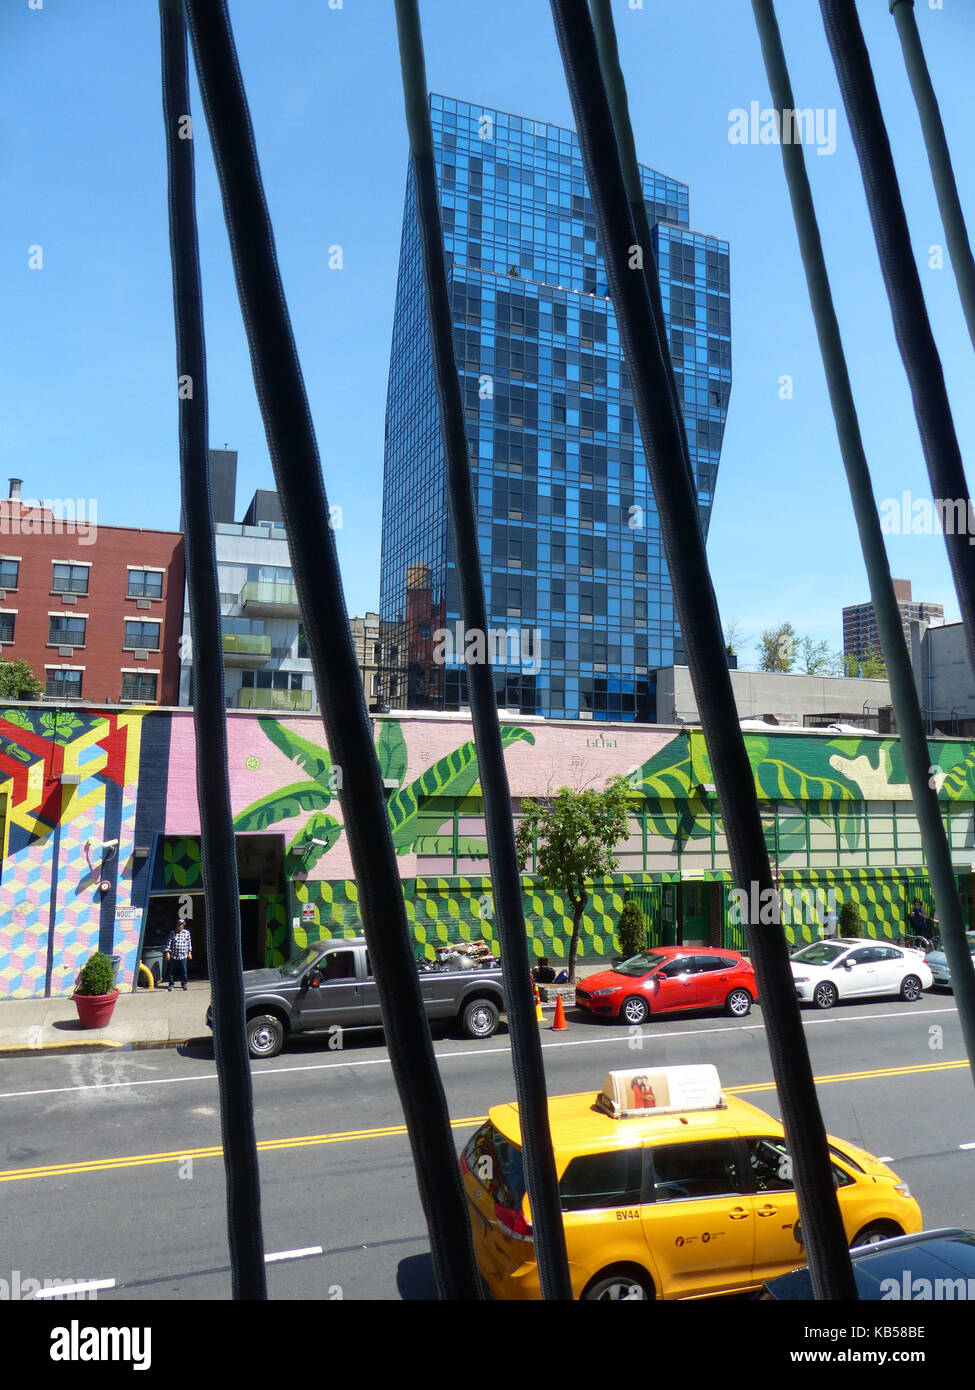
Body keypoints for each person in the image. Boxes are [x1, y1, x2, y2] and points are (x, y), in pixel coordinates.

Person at [164, 921, 192, 991]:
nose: (179, 926)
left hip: (183, 955)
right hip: (174, 956)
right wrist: (167, 953)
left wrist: (189, 953)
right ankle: (171, 984)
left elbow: (189, 943)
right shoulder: (173, 933)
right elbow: (168, 943)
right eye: (178, 925)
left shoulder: (187, 933)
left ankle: (184, 984)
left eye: (181, 925)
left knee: (184, 971)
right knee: (171, 971)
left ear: (183, 926)